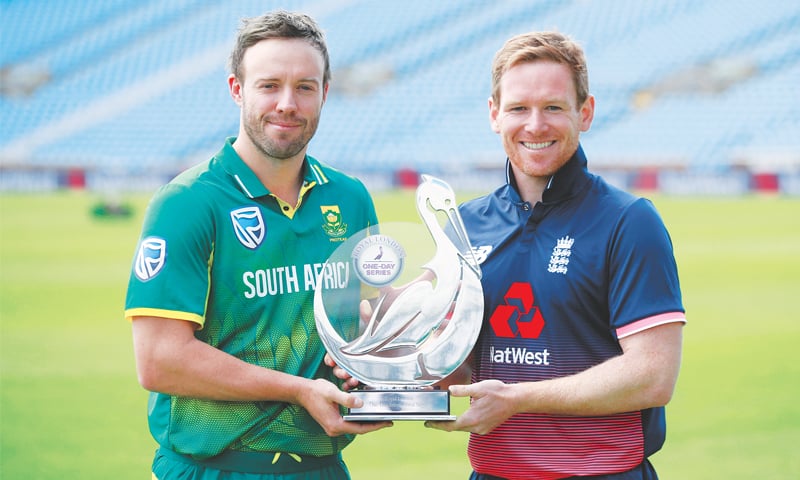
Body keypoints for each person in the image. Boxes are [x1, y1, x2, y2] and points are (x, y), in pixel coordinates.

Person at [124, 10, 391, 480]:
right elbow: (160, 361)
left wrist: (379, 362)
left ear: (325, 93)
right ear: (237, 89)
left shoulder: (349, 199)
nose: (287, 103)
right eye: (269, 85)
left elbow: (363, 322)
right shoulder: (187, 203)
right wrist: (296, 389)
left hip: (323, 468)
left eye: (305, 87)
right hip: (213, 468)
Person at [424, 31, 686, 480]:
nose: (535, 125)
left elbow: (653, 376)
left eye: (553, 107)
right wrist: (401, 357)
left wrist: (520, 398)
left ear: (585, 113)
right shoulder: (464, 226)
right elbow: (460, 367)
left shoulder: (629, 221)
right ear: (494, 114)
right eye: (519, 108)